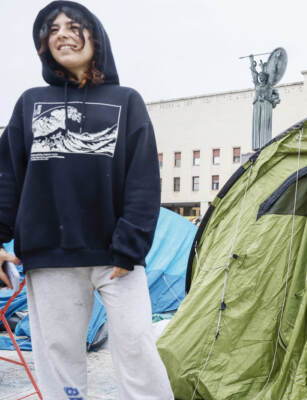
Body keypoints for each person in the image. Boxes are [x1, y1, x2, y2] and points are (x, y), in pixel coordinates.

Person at [0, 2, 173, 399]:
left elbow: (143, 180)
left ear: (95, 36)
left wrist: (129, 245)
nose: (61, 33)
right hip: (50, 255)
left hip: (117, 259)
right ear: (44, 46)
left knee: (137, 349)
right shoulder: (29, 103)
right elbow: (7, 177)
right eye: (51, 29)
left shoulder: (127, 100)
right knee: (58, 356)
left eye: (73, 26)